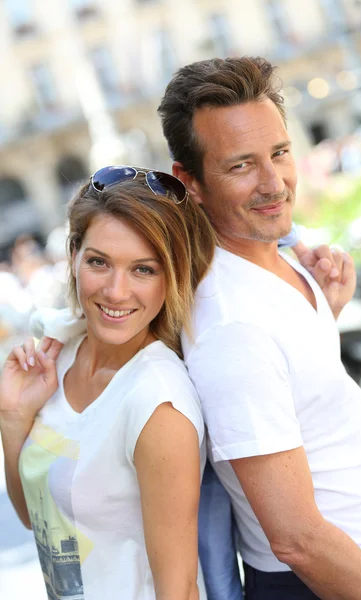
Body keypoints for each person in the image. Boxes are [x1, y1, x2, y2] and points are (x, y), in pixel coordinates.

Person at [157, 56, 361, 599]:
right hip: (335, 582)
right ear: (189, 182)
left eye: (280, 153)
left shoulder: (281, 259)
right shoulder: (231, 324)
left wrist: (323, 314)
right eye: (240, 166)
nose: (274, 183)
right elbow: (295, 539)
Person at [0, 167, 217, 600]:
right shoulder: (58, 352)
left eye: (143, 269)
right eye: (99, 262)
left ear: (171, 276)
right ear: (74, 255)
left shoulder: (158, 403)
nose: (117, 292)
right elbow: (38, 518)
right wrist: (13, 416)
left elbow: (180, 590)